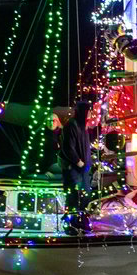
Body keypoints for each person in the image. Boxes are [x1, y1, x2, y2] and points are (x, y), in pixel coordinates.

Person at [60, 99, 94, 233]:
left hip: (83, 168)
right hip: (74, 168)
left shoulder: (82, 126)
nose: (91, 113)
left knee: (86, 195)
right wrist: (79, 162)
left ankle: (81, 221)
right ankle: (70, 223)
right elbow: (68, 148)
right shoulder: (71, 125)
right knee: (73, 196)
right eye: (88, 110)